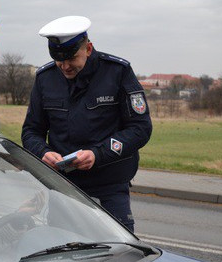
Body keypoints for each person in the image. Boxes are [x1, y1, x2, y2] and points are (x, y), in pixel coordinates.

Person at [21, 16, 152, 232]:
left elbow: (140, 128)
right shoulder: (46, 78)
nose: (64, 66)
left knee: (120, 256)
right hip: (63, 188)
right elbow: (31, 131)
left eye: (71, 58)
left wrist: (98, 154)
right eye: (58, 60)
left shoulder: (117, 72)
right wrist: (42, 152)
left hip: (109, 186)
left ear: (88, 48)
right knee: (62, 255)